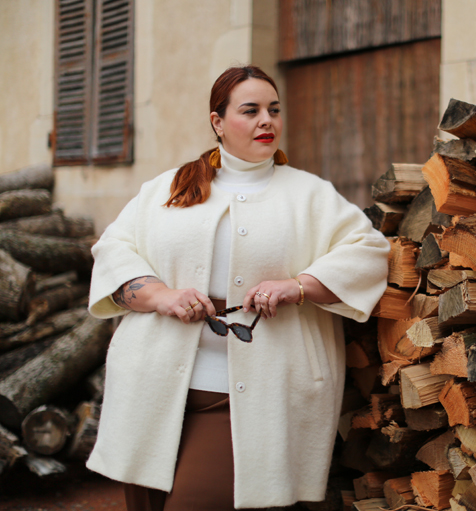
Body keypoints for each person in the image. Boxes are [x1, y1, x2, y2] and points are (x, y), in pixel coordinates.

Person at [86, 65, 390, 510]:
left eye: (274, 110)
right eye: (250, 111)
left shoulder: (310, 194)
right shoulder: (165, 189)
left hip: (256, 393)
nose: (267, 120)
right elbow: (113, 249)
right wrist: (161, 296)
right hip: (149, 384)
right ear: (218, 122)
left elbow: (368, 252)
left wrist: (298, 286)